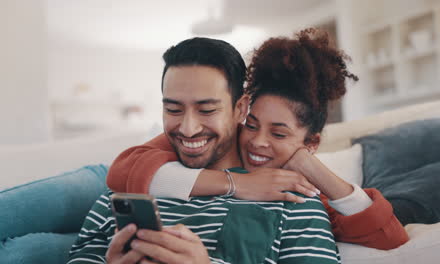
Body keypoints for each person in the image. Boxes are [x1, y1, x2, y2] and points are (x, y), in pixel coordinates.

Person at [107, 29, 409, 250]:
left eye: (278, 134)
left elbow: (389, 237)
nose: (257, 142)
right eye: (252, 125)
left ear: (311, 142)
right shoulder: (215, 137)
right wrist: (237, 183)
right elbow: (121, 171)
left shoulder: (295, 187)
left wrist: (307, 163)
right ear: (241, 113)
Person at [68, 33, 342, 264]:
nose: (187, 129)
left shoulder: (293, 201)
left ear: (240, 109)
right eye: (173, 109)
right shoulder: (126, 195)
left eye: (207, 109)